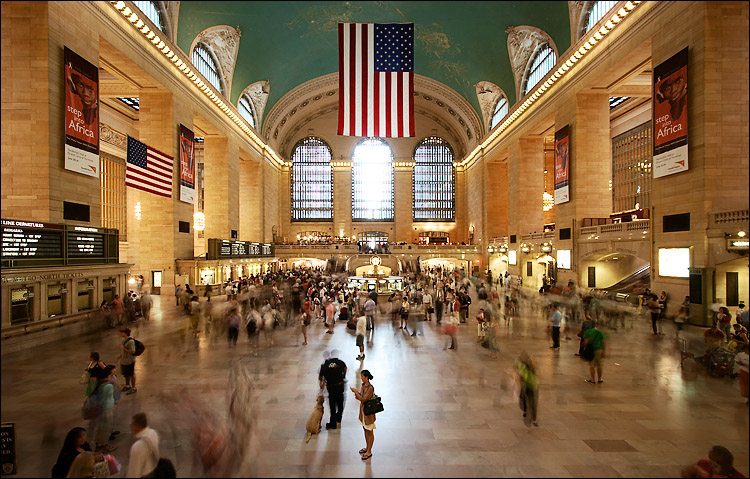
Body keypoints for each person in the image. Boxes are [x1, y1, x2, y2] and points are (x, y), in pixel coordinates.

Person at [350, 369, 376, 460]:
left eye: (362, 376)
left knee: (369, 431)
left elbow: (364, 399)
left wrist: (356, 392)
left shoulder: (370, 388)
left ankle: (369, 451)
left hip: (368, 413)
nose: (361, 378)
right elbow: (361, 397)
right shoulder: (363, 385)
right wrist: (357, 393)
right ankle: (367, 447)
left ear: (366, 377)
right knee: (365, 430)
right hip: (363, 412)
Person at [318, 349, 347, 430]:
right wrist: (343, 376)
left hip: (331, 387)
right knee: (340, 403)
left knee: (332, 405)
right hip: (340, 386)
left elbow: (320, 377)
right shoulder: (340, 362)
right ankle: (339, 418)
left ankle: (333, 423)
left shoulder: (325, 364)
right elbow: (345, 367)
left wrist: (322, 386)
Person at [126, 413, 159, 478]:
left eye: (132, 424)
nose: (131, 426)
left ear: (136, 426)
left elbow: (134, 472)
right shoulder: (153, 432)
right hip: (154, 470)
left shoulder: (137, 447)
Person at [681, 445, 746, 478]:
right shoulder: (704, 465)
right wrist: (695, 468)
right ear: (711, 463)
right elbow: (684, 473)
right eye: (717, 466)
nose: (724, 470)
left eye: (726, 467)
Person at [516, 351, 539, 427]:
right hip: (529, 386)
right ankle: (531, 417)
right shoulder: (524, 367)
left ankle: (531, 418)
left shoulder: (528, 368)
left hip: (531, 387)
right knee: (528, 401)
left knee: (531, 403)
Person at [118, 328, 137, 394]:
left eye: (122, 332)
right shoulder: (123, 340)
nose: (121, 334)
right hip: (124, 360)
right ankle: (127, 385)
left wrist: (124, 349)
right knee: (126, 374)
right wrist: (120, 356)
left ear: (126, 333)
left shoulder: (131, 341)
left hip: (129, 360)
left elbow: (133, 351)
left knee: (131, 374)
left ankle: (134, 387)